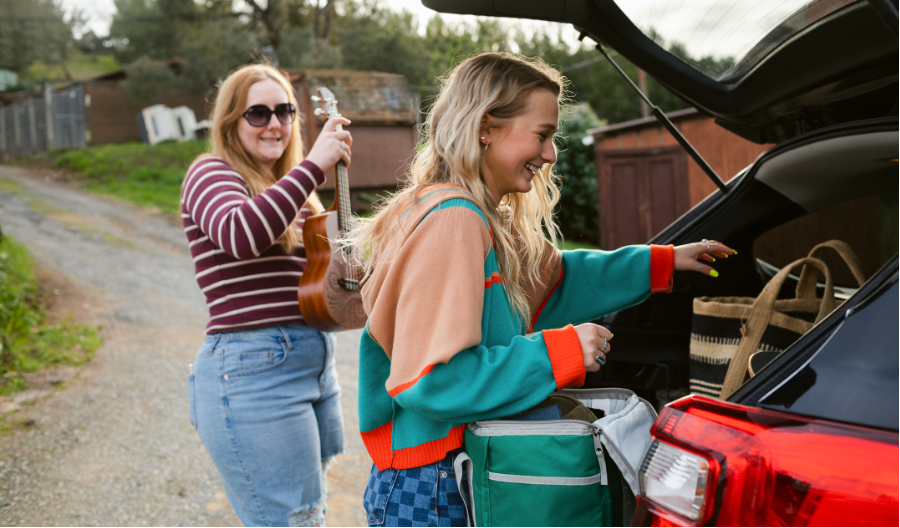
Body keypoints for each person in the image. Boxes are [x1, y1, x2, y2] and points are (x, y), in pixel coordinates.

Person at [345, 52, 735, 527]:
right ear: (486, 126)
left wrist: (663, 262)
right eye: (543, 135)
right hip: (432, 482)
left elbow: (557, 281)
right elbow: (433, 380)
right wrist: (561, 352)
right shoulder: (454, 220)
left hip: (452, 469)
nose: (550, 154)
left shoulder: (478, 218)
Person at [181, 63, 352, 527]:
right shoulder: (210, 173)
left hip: (314, 363)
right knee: (291, 520)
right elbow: (240, 234)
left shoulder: (296, 194)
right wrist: (314, 167)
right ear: (231, 123)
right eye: (257, 113)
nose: (274, 123)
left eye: (284, 111)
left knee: (308, 514)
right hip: (252, 370)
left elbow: (326, 282)